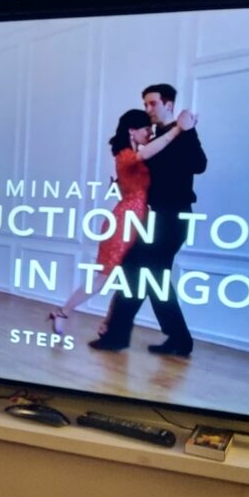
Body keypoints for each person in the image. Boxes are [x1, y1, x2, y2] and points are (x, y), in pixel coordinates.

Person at [89, 83, 207, 355]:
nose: (148, 109)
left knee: (151, 276)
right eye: (145, 104)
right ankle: (125, 334)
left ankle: (161, 337)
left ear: (169, 104)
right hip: (152, 217)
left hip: (173, 217)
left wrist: (186, 130)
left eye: (152, 104)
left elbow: (199, 164)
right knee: (138, 272)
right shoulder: (153, 137)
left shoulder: (183, 131)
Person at [49, 109, 188, 335]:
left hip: (139, 220)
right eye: (146, 129)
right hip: (125, 222)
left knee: (128, 277)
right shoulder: (124, 155)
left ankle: (108, 325)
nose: (149, 133)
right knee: (104, 277)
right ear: (132, 131)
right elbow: (146, 155)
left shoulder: (136, 153)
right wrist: (177, 129)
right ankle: (62, 312)